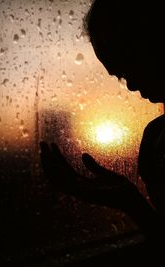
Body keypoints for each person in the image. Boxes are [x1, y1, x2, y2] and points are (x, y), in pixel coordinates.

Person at [40, 0, 165, 261]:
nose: (130, 86)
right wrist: (132, 201)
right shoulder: (156, 138)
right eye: (120, 75)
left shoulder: (159, 141)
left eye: (129, 62)